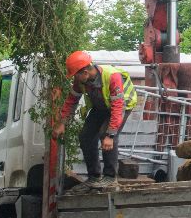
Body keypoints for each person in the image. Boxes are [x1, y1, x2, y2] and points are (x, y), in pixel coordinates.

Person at [57, 51, 138, 183]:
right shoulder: (81, 82)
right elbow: (71, 101)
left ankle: (110, 177)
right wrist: (62, 123)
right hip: (101, 106)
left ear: (85, 73)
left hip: (122, 105)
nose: (74, 79)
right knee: (85, 136)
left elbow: (118, 107)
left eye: (75, 75)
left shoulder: (112, 76)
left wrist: (110, 136)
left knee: (105, 135)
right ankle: (94, 177)